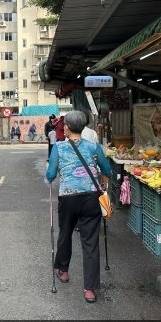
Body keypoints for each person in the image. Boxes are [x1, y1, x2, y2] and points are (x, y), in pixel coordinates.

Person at [45, 110, 112, 304]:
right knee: (90, 242)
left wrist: (52, 176)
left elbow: (50, 175)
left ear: (66, 128)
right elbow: (106, 169)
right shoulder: (93, 146)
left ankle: (63, 271)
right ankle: (89, 289)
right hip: (91, 197)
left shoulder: (59, 148)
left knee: (65, 233)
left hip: (68, 198)